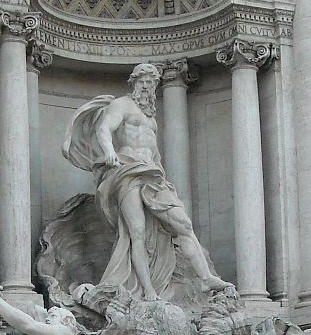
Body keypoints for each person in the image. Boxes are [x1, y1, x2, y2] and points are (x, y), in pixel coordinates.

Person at [62, 63, 233, 301]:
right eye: (143, 82)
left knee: (183, 224)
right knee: (137, 232)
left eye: (151, 83)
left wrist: (161, 174)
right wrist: (109, 151)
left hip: (152, 175)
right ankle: (148, 290)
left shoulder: (151, 119)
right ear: (133, 83)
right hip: (127, 171)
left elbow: (155, 154)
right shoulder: (122, 104)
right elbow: (104, 128)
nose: (147, 87)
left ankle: (205, 278)